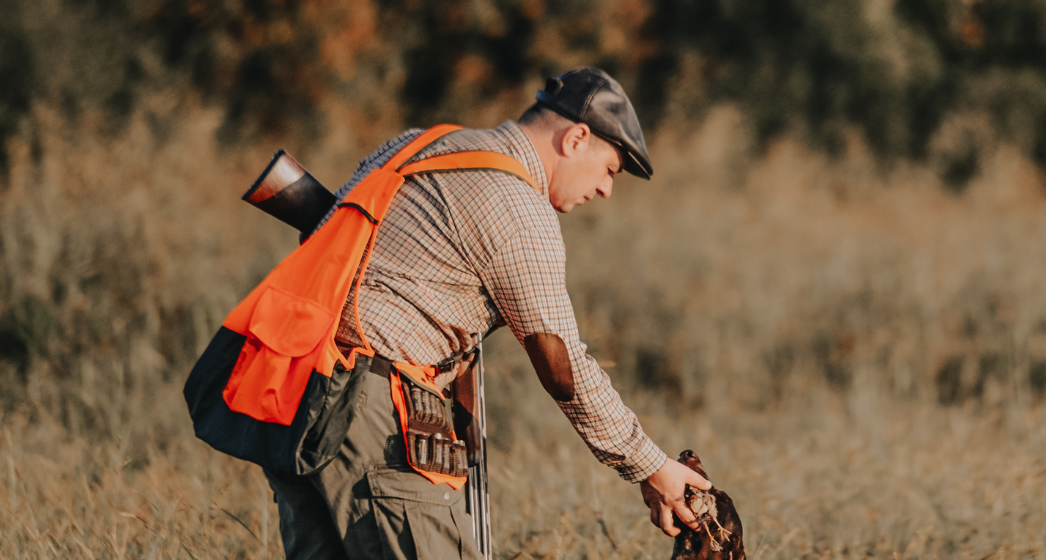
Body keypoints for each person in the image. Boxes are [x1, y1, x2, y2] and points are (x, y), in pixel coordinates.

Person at [263, 67, 711, 560]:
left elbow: (324, 236)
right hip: (370, 414)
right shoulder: (518, 208)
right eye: (610, 169)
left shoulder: (417, 144)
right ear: (577, 138)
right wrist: (652, 467)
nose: (606, 190)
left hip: (294, 395)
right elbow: (565, 373)